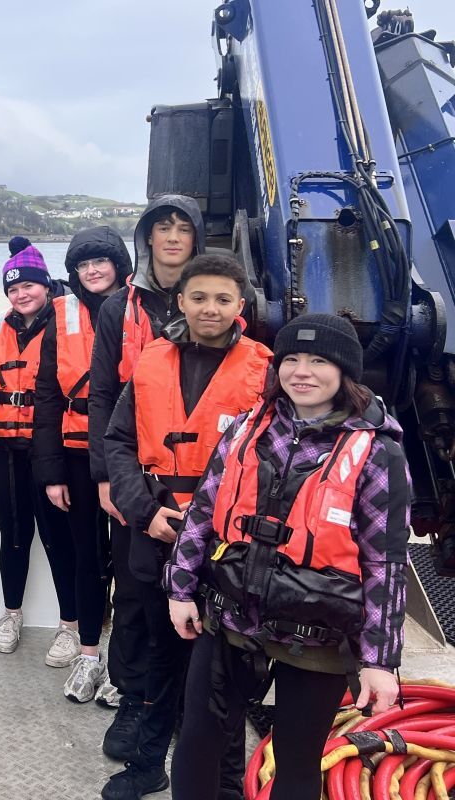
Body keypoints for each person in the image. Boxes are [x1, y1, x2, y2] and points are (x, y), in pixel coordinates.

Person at [166, 313, 409, 800]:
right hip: (230, 613)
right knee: (198, 738)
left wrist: (378, 660)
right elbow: (204, 511)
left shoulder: (378, 452)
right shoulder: (246, 428)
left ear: (344, 373)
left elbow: (386, 562)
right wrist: (180, 587)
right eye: (292, 359)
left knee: (298, 760)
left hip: (317, 632)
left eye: (319, 360)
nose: (302, 371)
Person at [101, 254, 271, 799]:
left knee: (222, 676)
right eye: (198, 297)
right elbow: (118, 444)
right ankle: (149, 764)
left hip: (227, 548)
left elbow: (279, 461)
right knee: (160, 657)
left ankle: (225, 786)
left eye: (223, 299)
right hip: (154, 532)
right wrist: (145, 511)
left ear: (241, 306)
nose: (210, 309)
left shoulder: (265, 370)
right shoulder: (151, 361)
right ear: (180, 301)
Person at [87, 194, 203, 755]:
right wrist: (106, 477)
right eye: (164, 228)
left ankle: (185, 703)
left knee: (199, 594)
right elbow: (103, 395)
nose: (174, 236)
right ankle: (134, 700)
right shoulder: (117, 310)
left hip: (205, 481)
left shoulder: (222, 303)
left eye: (184, 227)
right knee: (132, 593)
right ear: (148, 238)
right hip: (137, 474)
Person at [32, 226, 131, 702]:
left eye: (101, 261)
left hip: (128, 453)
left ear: (119, 264)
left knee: (133, 566)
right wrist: (50, 471)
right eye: (83, 264)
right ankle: (88, 654)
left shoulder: (141, 308)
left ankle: (125, 665)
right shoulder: (60, 314)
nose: (92, 271)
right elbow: (47, 394)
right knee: (86, 558)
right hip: (73, 453)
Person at [0, 244, 70, 659]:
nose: (21, 295)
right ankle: (11, 613)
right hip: (3, 448)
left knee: (58, 538)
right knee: (13, 535)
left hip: (49, 447)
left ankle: (70, 625)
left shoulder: (65, 325)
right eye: (13, 289)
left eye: (30, 285)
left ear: (46, 285)